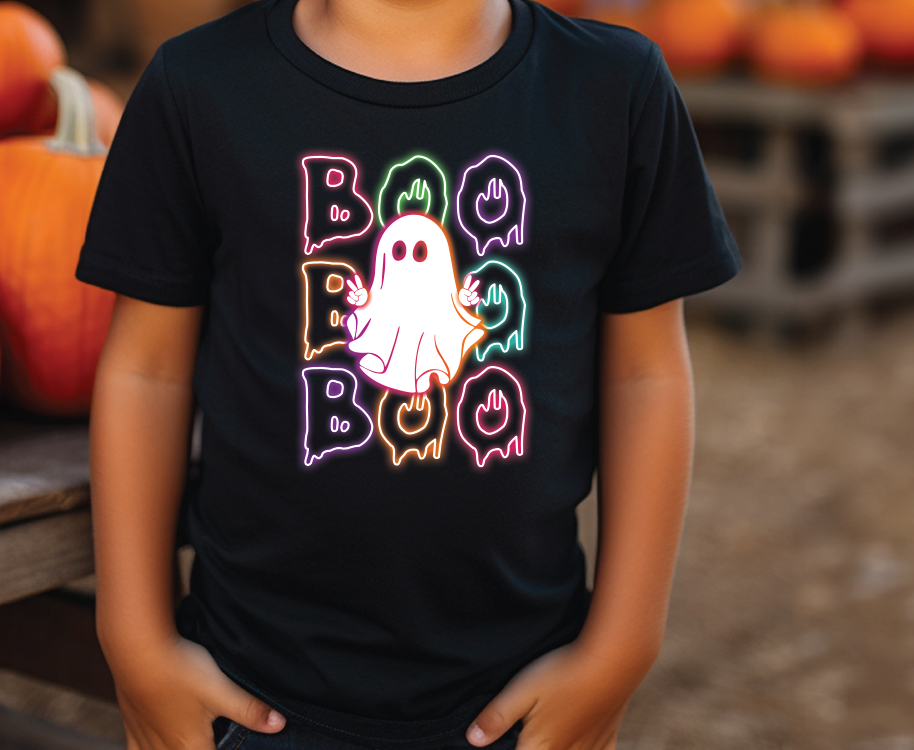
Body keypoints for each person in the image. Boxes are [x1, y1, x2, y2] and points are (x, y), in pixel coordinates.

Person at [74, 0, 742, 748]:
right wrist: (134, 641)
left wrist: (620, 649)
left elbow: (646, 374)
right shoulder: (197, 88)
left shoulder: (616, 89)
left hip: (519, 705)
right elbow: (147, 371)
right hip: (254, 698)